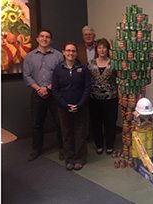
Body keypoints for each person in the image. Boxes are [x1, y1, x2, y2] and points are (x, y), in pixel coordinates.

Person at [22, 29, 64, 161]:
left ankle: (63, 148)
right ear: (37, 39)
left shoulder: (58, 55)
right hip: (37, 93)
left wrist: (48, 88)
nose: (44, 39)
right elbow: (27, 76)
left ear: (50, 40)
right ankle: (36, 149)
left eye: (47, 37)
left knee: (60, 122)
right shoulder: (30, 56)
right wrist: (39, 89)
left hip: (55, 94)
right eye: (42, 36)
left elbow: (60, 75)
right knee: (36, 124)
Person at [51, 42, 91, 171]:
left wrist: (79, 104)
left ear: (76, 53)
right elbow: (55, 90)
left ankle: (80, 158)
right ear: (63, 52)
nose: (71, 53)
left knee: (80, 133)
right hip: (63, 108)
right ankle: (69, 158)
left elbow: (87, 88)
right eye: (68, 51)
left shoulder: (83, 69)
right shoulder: (58, 69)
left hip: (81, 107)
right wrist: (65, 105)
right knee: (67, 133)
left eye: (73, 51)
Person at [87, 38, 118, 155]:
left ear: (108, 49)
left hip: (111, 98)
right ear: (96, 49)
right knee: (96, 123)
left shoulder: (113, 63)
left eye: (104, 47)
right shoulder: (91, 63)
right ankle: (99, 145)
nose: (102, 50)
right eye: (99, 47)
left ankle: (110, 144)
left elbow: (118, 80)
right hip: (94, 99)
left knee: (110, 122)